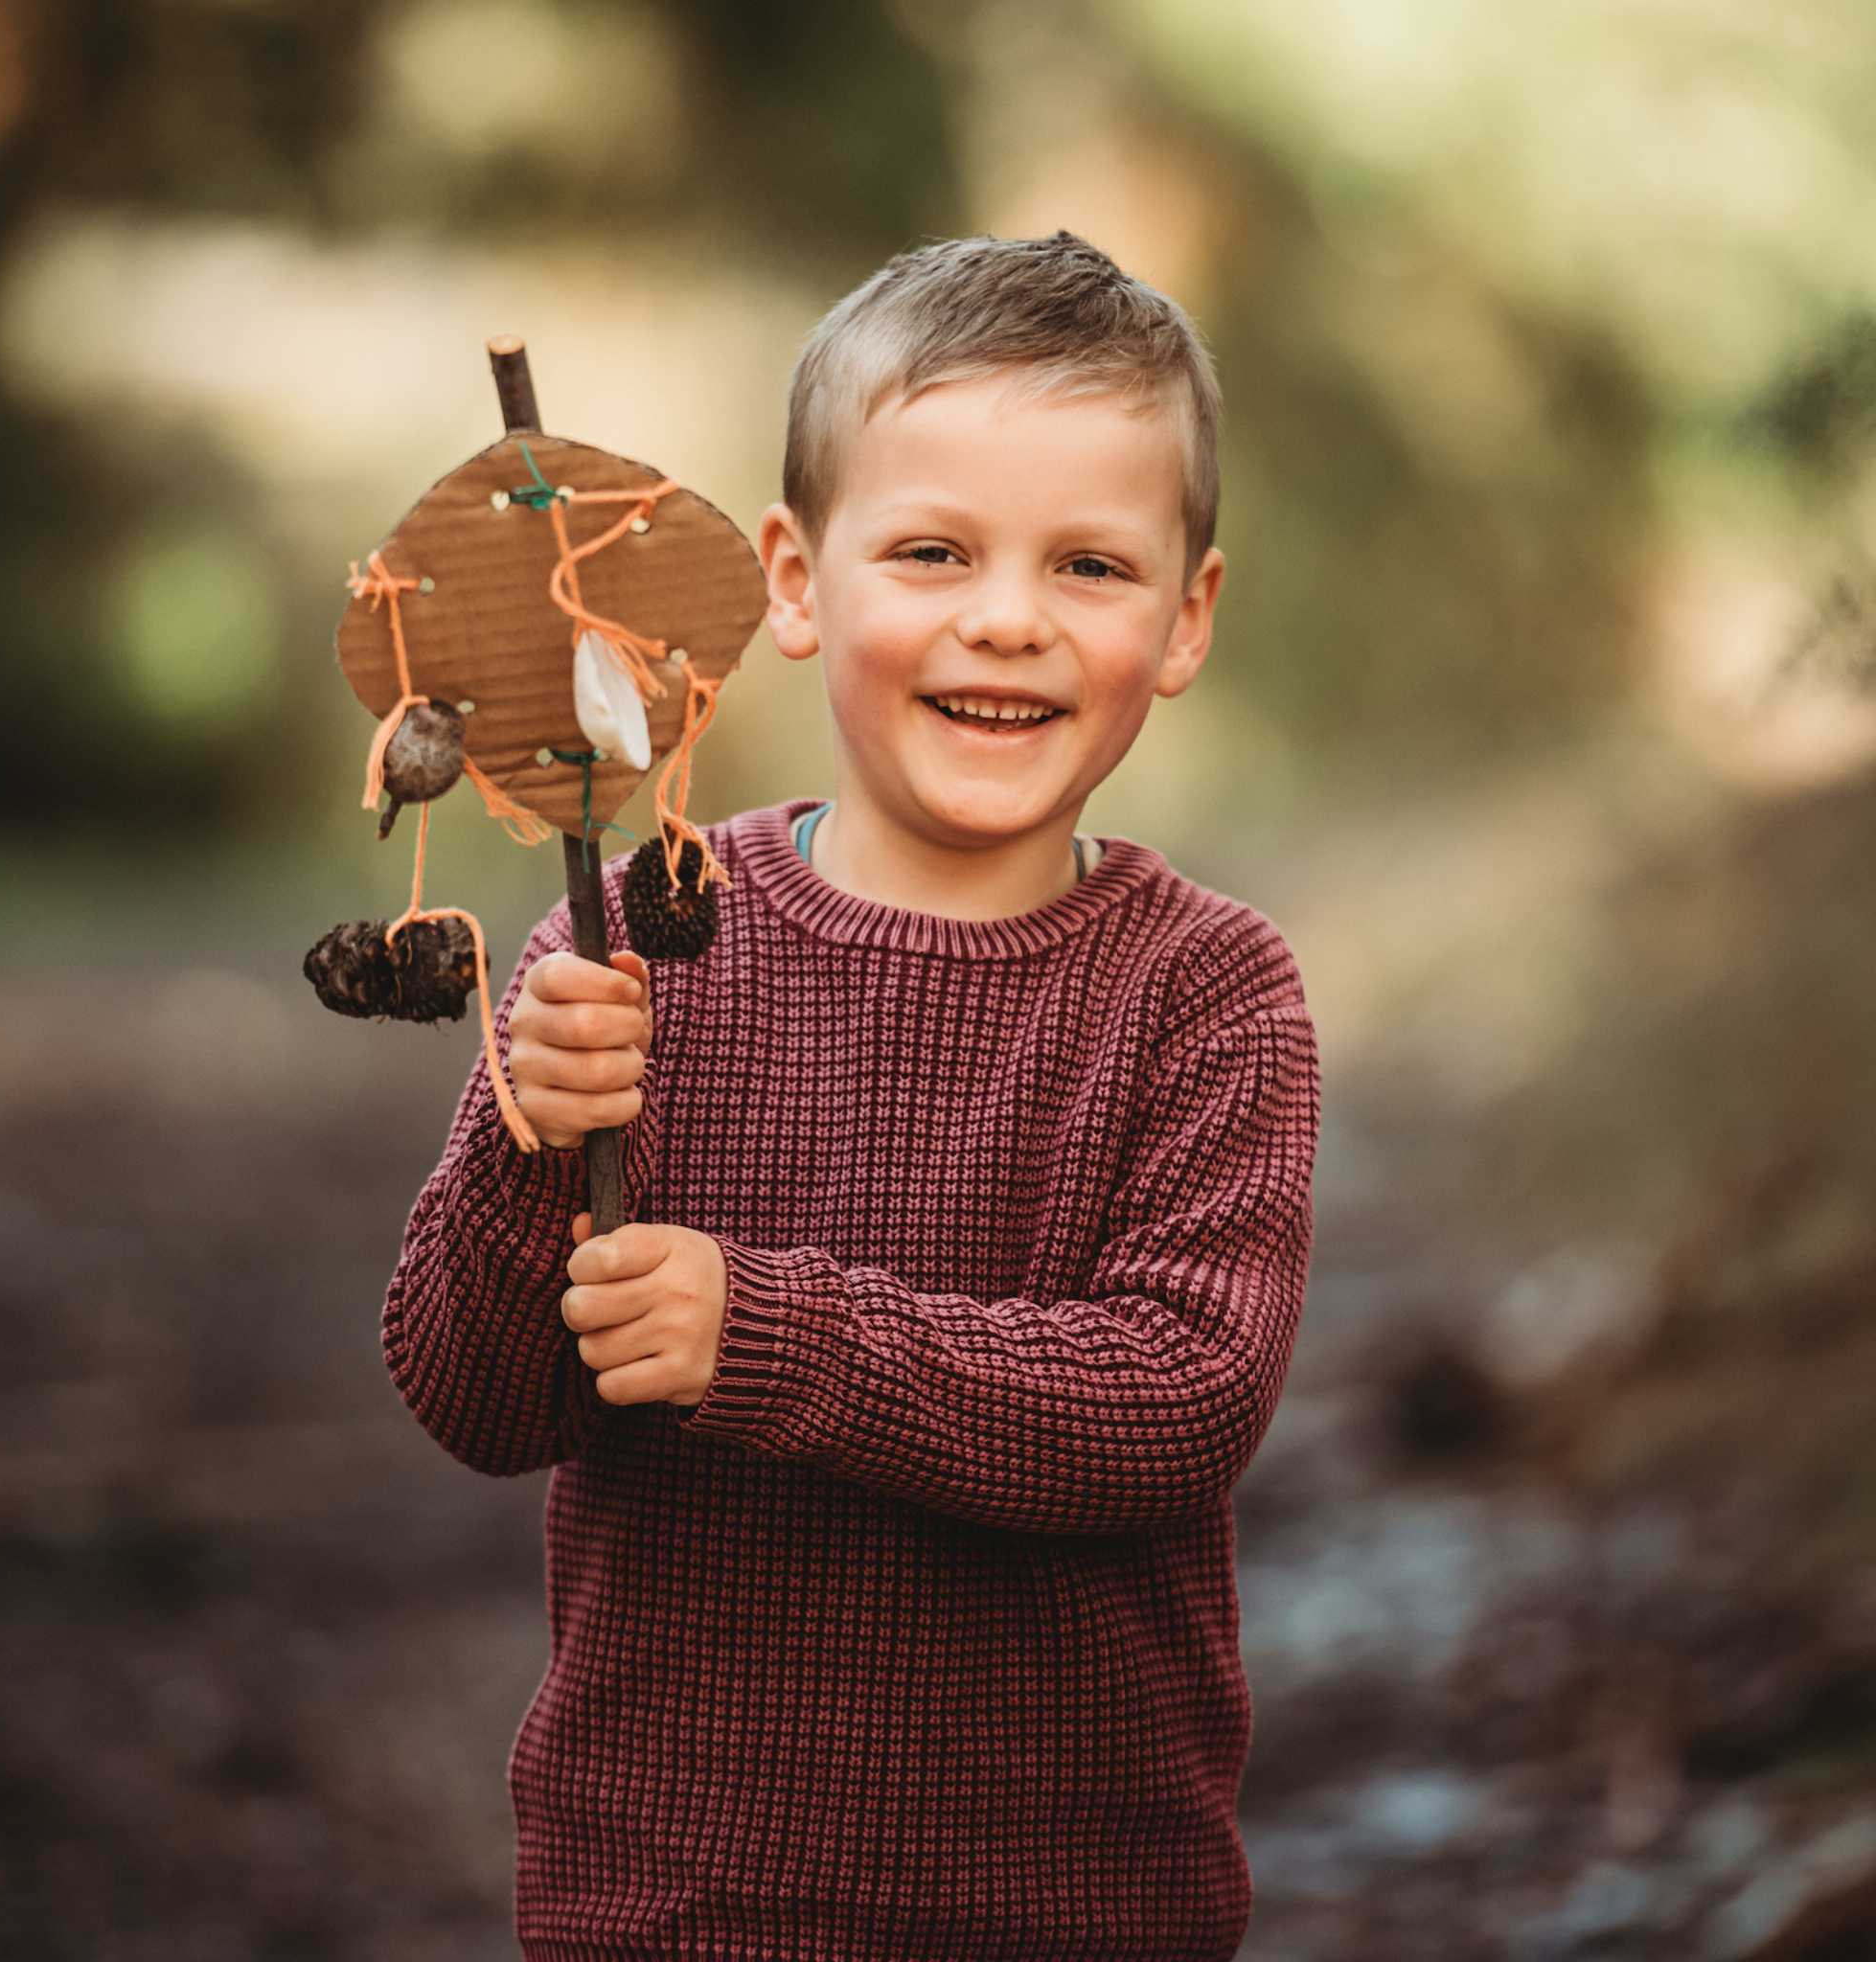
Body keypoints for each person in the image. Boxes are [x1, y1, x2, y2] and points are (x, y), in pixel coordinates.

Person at [382, 228, 1322, 1961]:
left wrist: (771, 1338)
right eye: (933, 550)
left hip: (1075, 1903)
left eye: (1093, 566)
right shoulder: (635, 944)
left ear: (1186, 616)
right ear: (797, 585)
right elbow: (476, 1397)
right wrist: (532, 1142)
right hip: (670, 1894)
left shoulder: (1205, 988)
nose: (1010, 617)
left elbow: (1178, 1396)